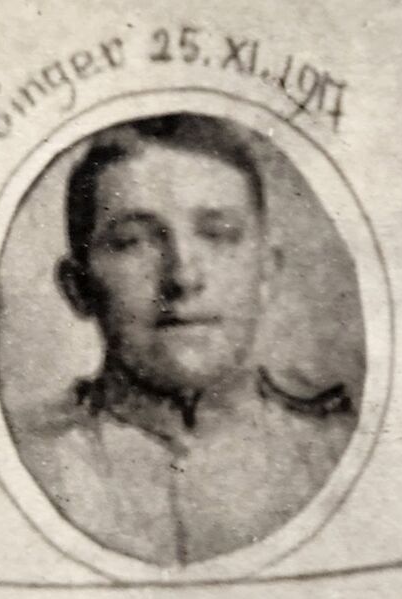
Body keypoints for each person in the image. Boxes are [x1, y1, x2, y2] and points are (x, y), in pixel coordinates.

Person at [21, 113, 357, 566]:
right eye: (132, 241)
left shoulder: (337, 449)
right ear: (78, 287)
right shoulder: (32, 459)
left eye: (218, 235)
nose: (182, 277)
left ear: (267, 272)